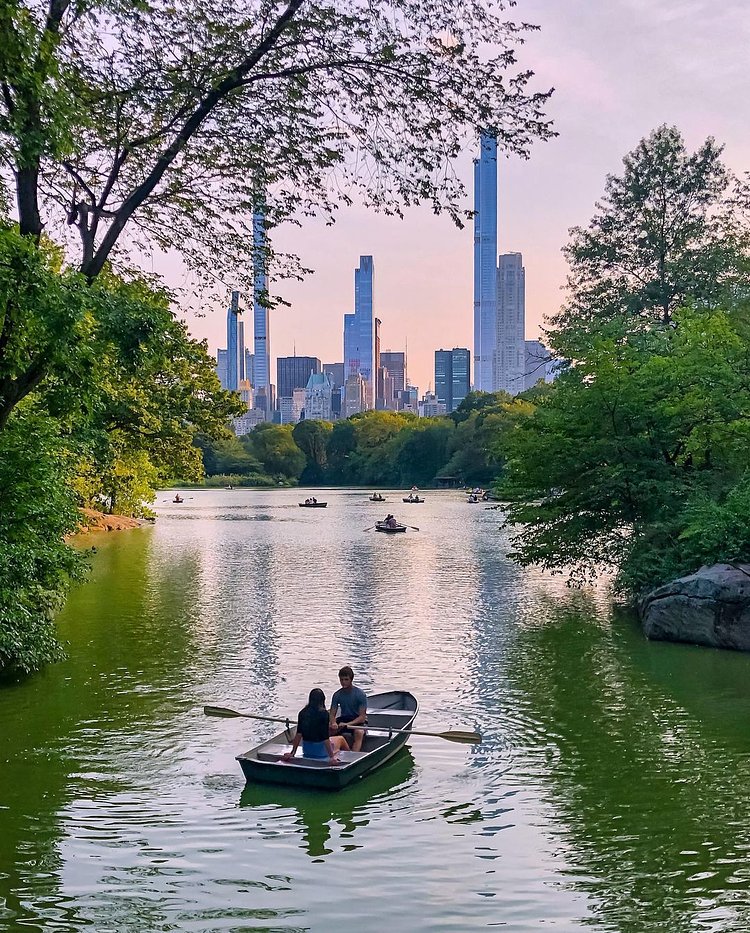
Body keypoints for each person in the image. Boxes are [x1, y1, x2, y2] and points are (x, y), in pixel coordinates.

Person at [283, 688, 349, 764]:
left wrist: (293, 752)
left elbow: (298, 734)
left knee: (333, 741)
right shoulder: (324, 714)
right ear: (322, 700)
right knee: (341, 739)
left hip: (307, 750)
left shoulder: (302, 713)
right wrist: (331, 757)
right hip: (321, 753)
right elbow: (325, 738)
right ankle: (351, 760)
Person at [329, 666, 368, 752]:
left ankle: (353, 756)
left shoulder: (360, 694)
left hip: (357, 721)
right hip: (344, 719)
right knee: (327, 729)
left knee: (359, 732)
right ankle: (328, 752)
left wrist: (347, 724)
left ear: (351, 680)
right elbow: (332, 714)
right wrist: (333, 722)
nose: (343, 682)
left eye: (346, 679)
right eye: (341, 680)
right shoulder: (337, 695)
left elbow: (362, 717)